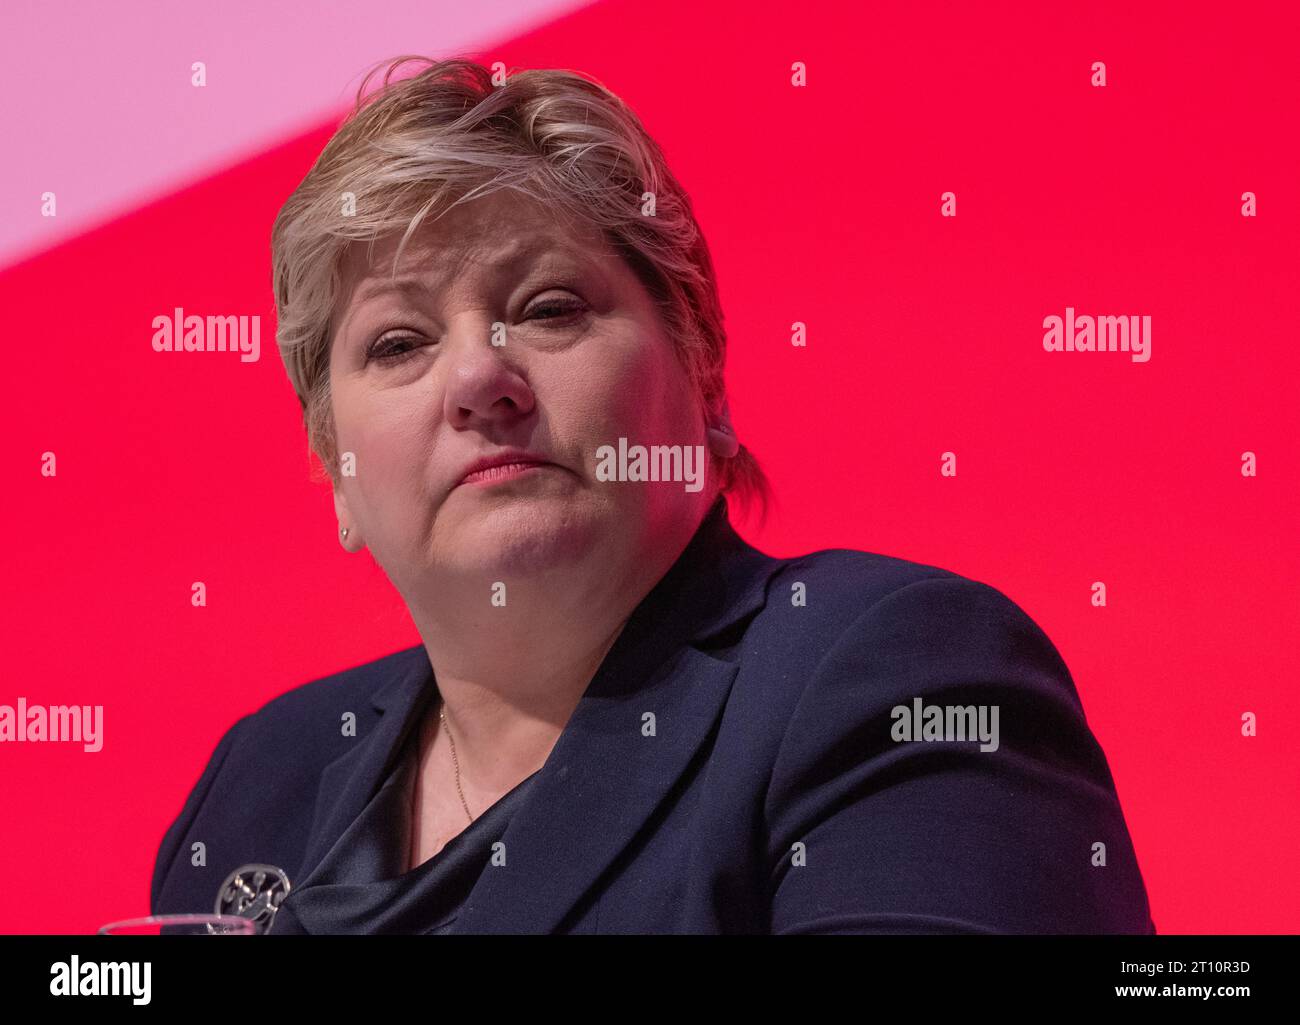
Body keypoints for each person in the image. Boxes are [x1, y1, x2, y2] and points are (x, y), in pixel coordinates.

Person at [150, 55, 1154, 935]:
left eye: (547, 309)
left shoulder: (901, 673)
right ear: (336, 474)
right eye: (398, 343)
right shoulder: (261, 780)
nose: (477, 380)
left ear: (704, 377)